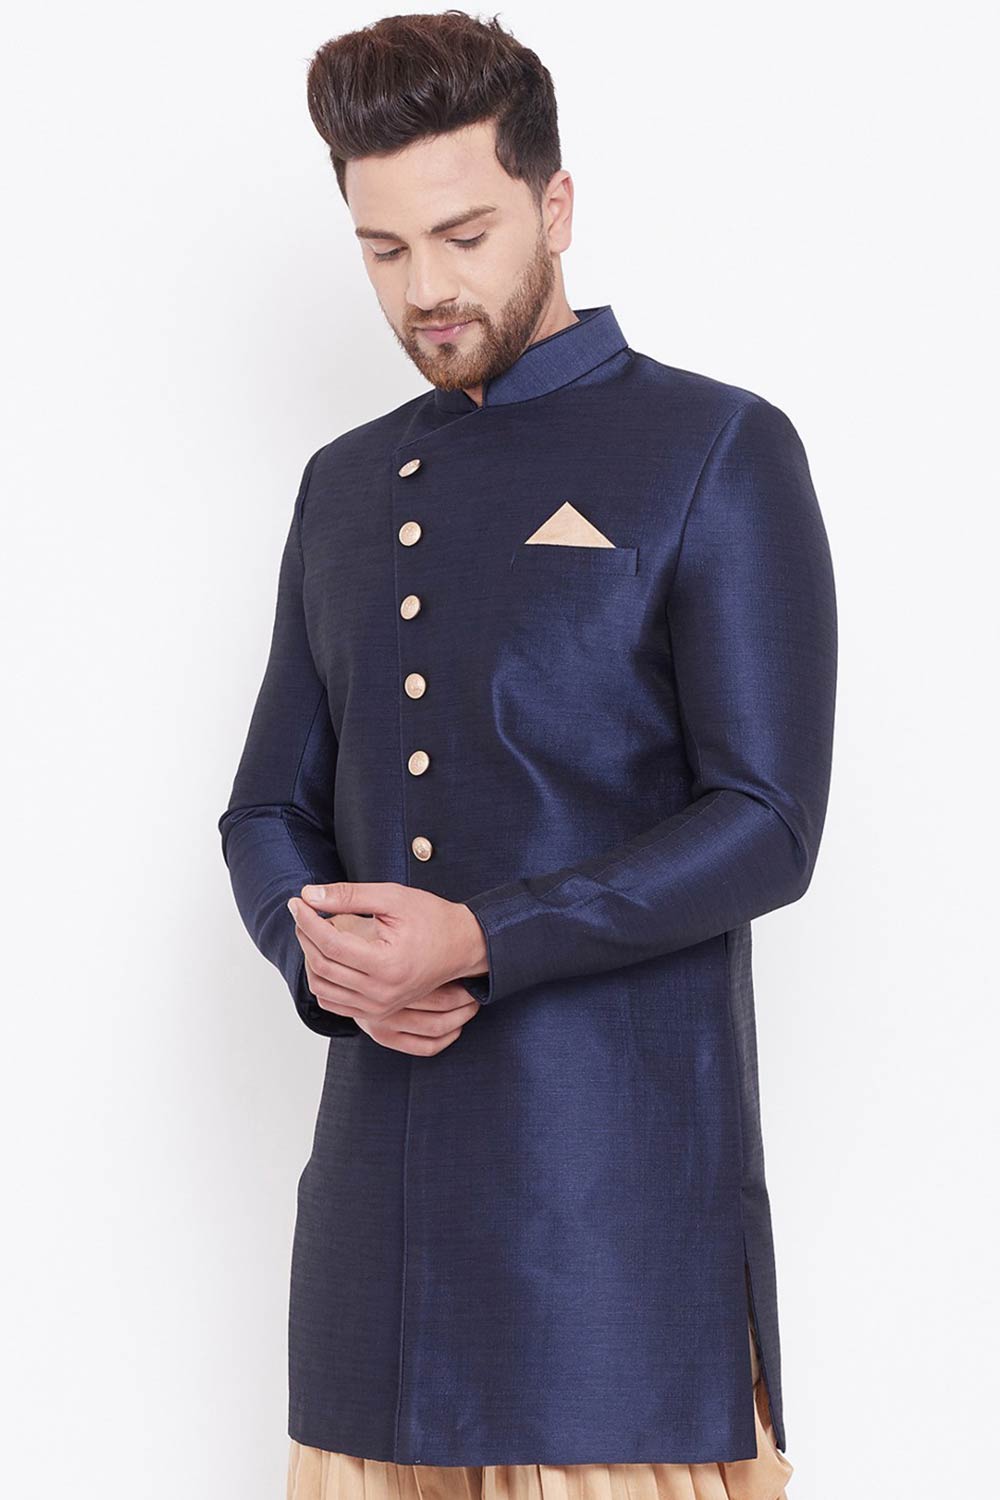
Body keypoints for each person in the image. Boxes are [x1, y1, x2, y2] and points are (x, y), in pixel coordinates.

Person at [217, 12, 837, 1500]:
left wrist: (484, 938)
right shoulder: (344, 484)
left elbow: (768, 820)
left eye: (464, 233)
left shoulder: (714, 447)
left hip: (613, 1227)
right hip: (375, 1222)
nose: (425, 288)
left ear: (556, 206)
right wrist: (315, 950)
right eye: (383, 250)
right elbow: (266, 807)